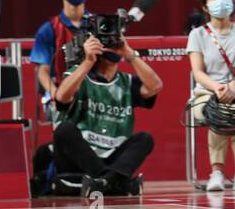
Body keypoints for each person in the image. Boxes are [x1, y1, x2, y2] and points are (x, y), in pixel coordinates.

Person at [52, 20, 162, 197]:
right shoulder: (79, 73)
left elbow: (155, 86)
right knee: (64, 130)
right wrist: (88, 62)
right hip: (79, 158)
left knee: (145, 138)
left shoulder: (126, 81)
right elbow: (61, 97)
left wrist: (129, 54)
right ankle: (116, 182)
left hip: (112, 155)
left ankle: (103, 182)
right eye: (105, 41)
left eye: (113, 40)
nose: (110, 45)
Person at [187, 0, 235, 192]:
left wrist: (234, 85)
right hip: (206, 94)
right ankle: (216, 172)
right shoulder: (197, 34)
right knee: (218, 110)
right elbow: (198, 72)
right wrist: (217, 88)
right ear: (205, 6)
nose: (221, 1)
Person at [29, 0, 92, 118]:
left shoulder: (98, 25)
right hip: (62, 92)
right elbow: (42, 71)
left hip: (93, 94)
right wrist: (57, 95)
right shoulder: (48, 29)